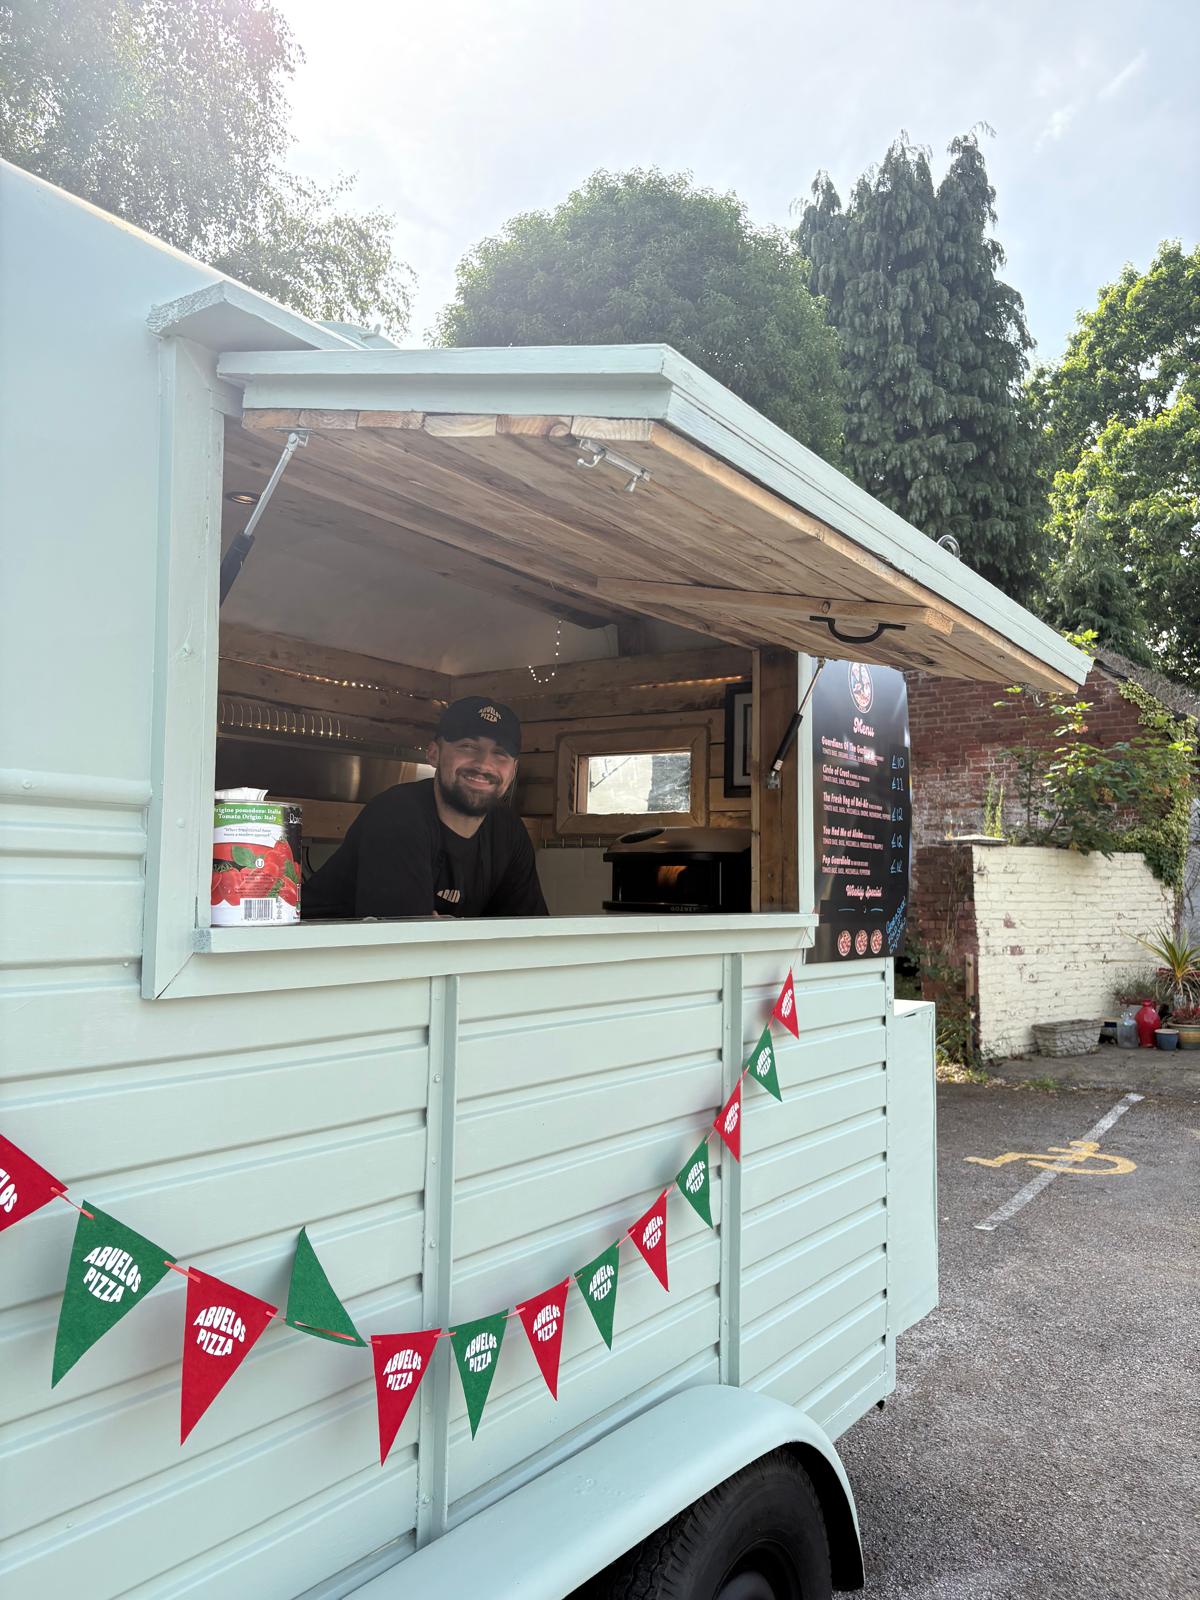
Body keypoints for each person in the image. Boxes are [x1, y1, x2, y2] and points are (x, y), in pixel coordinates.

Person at [302, 696, 547, 920]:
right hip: (307, 960)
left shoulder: (508, 831)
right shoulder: (397, 814)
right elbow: (408, 944)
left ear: (513, 771)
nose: (483, 764)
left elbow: (528, 935)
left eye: (500, 753)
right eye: (468, 746)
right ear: (434, 754)